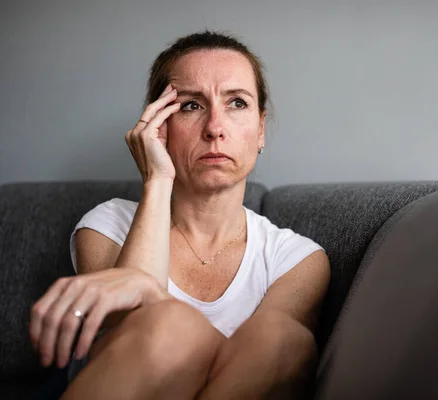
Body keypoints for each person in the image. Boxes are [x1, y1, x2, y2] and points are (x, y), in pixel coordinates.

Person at [28, 30, 331, 400]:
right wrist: (157, 179)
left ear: (260, 129)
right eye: (191, 105)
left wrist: (147, 292)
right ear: (159, 126)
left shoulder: (297, 260)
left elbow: (270, 368)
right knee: (172, 324)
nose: (215, 129)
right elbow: (128, 329)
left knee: (284, 338)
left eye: (236, 103)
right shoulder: (106, 226)